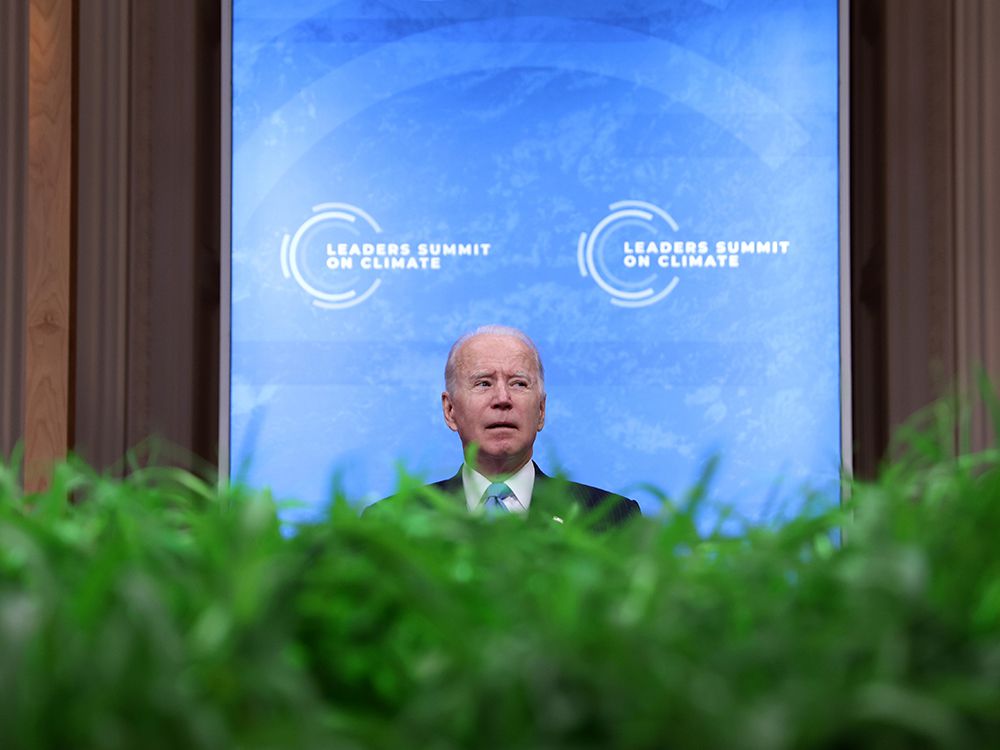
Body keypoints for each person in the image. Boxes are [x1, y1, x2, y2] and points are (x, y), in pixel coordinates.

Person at [368, 325, 639, 527]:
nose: (502, 399)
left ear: (541, 410)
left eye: (519, 384)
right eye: (483, 383)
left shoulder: (612, 518)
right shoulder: (391, 521)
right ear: (450, 410)